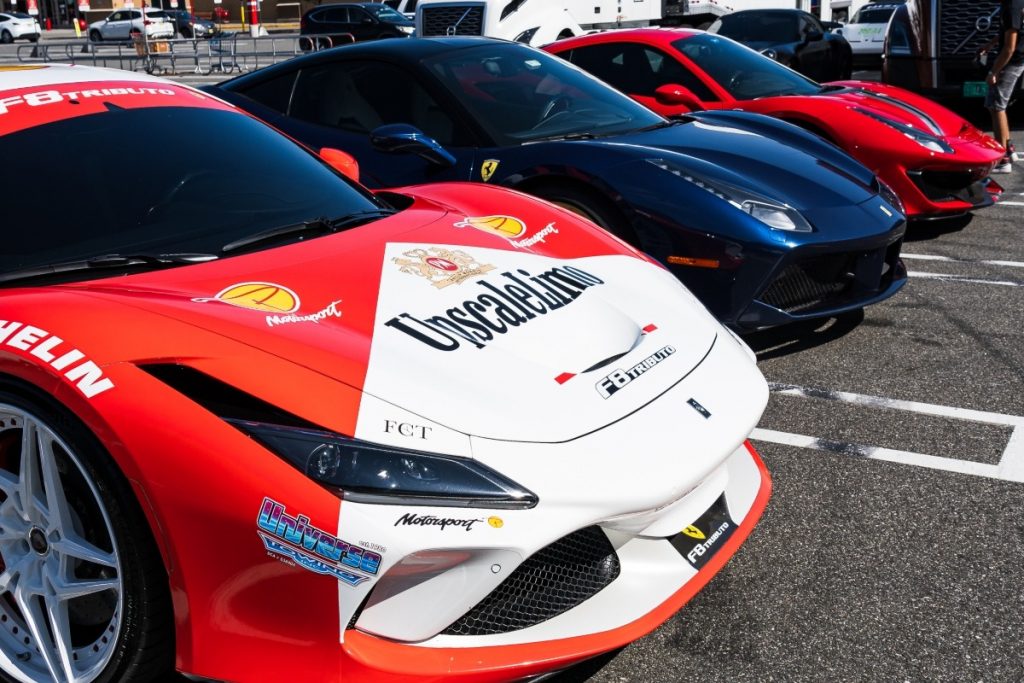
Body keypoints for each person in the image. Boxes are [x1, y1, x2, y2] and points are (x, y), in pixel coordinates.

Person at [981, 0, 1024, 173]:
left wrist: (994, 72)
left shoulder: (1011, 5)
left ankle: (1003, 159)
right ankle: (1009, 148)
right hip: (1016, 60)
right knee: (998, 105)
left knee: (996, 106)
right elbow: (1010, 32)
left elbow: (1010, 47)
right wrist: (991, 44)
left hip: (1010, 62)